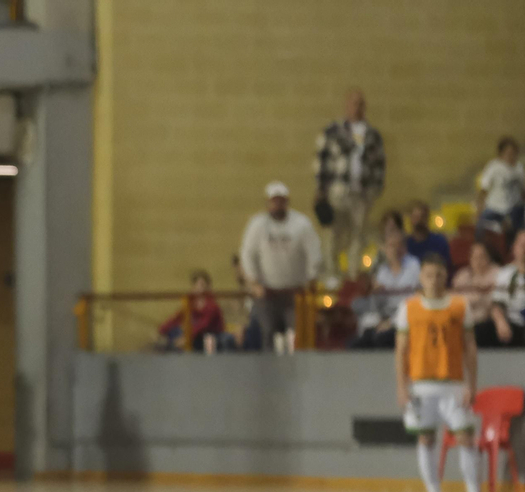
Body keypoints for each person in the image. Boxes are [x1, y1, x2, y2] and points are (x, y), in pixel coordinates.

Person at [394, 253, 496, 492]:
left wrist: (472, 384)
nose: (434, 279)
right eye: (428, 274)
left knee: (466, 439)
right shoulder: (408, 307)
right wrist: (402, 387)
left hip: (453, 384)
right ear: (421, 277)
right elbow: (401, 351)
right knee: (426, 439)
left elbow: (470, 348)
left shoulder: (460, 306)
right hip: (421, 386)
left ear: (446, 276)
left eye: (439, 274)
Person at [312, 88, 386, 283]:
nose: (357, 107)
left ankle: (353, 275)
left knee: (358, 235)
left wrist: (375, 189)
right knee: (333, 234)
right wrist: (320, 189)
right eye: (354, 103)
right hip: (337, 192)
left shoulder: (372, 135)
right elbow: (321, 160)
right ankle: (332, 274)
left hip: (362, 194)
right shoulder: (333, 132)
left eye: (361, 103)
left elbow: (379, 163)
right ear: (346, 106)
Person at [238, 181, 322, 353]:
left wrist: (311, 278)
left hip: (294, 293)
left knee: (297, 335)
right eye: (274, 200)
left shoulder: (301, 224)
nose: (277, 204)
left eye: (281, 200)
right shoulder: (257, 225)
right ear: (268, 202)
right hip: (266, 293)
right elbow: (247, 254)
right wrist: (254, 283)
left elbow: (314, 253)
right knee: (267, 334)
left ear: (287, 201)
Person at [350, 219, 419, 350]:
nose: (392, 250)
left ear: (403, 247)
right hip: (382, 318)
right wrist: (376, 293)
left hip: (405, 320)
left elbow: (412, 301)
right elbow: (378, 304)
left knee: (380, 339)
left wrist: (390, 321)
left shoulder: (413, 266)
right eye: (389, 246)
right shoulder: (382, 271)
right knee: (356, 343)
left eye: (395, 246)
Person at [453, 240, 512, 348]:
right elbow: (455, 301)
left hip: (487, 323)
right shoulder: (462, 275)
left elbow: (495, 301)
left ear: (489, 257)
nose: (478, 261)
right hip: (465, 322)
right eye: (474, 257)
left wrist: (473, 299)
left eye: (482, 257)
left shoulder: (498, 273)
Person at [154, 270, 224, 351]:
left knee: (208, 339)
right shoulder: (191, 302)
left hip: (209, 336)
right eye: (196, 285)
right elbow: (177, 318)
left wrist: (186, 338)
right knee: (173, 332)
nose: (199, 288)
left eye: (202, 285)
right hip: (194, 336)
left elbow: (203, 325)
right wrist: (161, 331)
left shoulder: (212, 305)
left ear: (208, 287)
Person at [476, 138, 525, 239]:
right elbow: (483, 189)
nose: (511, 157)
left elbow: (523, 190)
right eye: (508, 153)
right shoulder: (493, 167)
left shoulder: (519, 168)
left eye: (513, 154)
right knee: (481, 229)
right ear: (501, 154)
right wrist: (479, 208)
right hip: (495, 208)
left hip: (514, 209)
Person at [404, 201, 453, 268]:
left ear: (427, 218)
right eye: (416, 217)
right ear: (410, 219)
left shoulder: (439, 242)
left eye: (422, 217)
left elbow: (446, 267)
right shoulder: (405, 245)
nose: (419, 221)